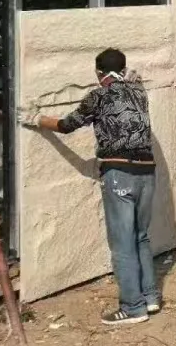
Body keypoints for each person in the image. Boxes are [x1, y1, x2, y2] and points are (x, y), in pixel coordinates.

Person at [24, 48, 159, 325]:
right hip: (148, 172)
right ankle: (150, 297)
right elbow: (131, 92)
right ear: (123, 70)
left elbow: (66, 125)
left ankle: (133, 308)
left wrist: (36, 119)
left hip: (119, 172)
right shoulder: (140, 93)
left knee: (122, 244)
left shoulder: (97, 96)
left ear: (98, 73)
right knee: (140, 236)